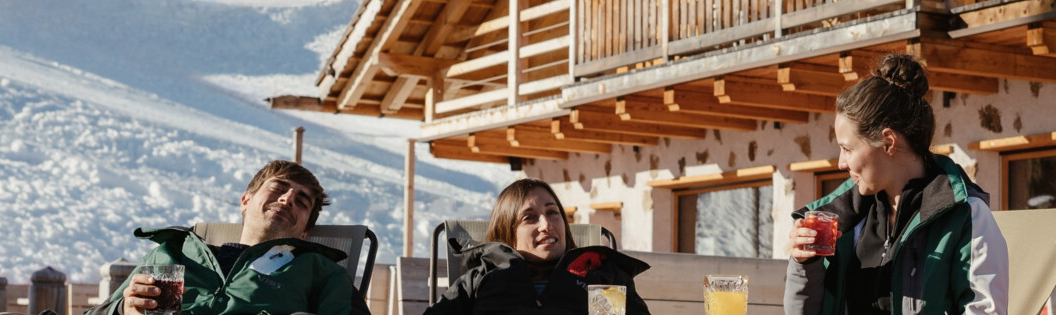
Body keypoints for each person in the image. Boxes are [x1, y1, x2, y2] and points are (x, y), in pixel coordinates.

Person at [784, 54, 1007, 315]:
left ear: (888, 142)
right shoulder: (843, 219)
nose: (841, 164)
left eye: (847, 149)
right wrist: (805, 265)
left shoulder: (967, 217)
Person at [89, 160, 366, 315]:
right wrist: (124, 308)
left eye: (302, 201)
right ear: (245, 200)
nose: (287, 198)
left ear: (306, 231)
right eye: (278, 188)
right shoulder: (174, 252)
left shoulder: (320, 271)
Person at [424, 178, 652, 315]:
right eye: (529, 218)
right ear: (507, 232)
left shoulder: (600, 276)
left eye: (553, 213)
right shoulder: (482, 279)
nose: (547, 225)